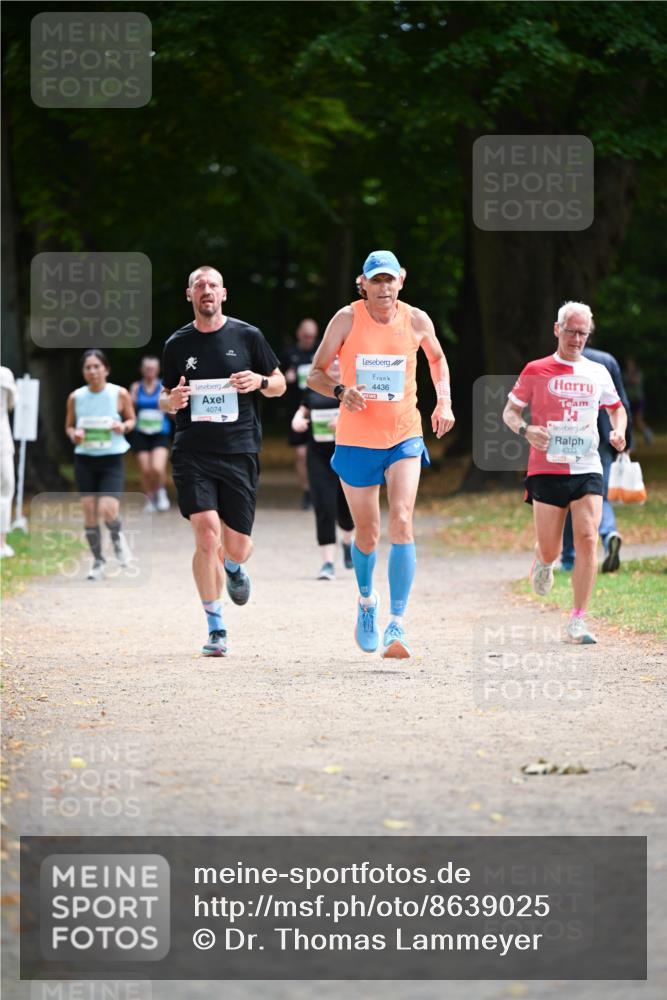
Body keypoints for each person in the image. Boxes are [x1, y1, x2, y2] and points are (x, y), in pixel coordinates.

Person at [307, 250, 455, 659]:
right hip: (356, 438)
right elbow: (315, 373)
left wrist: (443, 402)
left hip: (404, 434)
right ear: (364, 284)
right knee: (368, 533)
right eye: (377, 281)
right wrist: (341, 391)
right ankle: (367, 602)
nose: (384, 288)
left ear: (401, 281)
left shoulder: (417, 319)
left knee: (402, 520)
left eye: (390, 280)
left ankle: (398, 623)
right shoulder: (346, 319)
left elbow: (438, 359)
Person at [160, 265, 286, 657]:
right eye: (198, 285)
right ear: (189, 296)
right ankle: (216, 627)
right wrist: (171, 402)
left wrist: (260, 382)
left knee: (237, 546)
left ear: (224, 293)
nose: (206, 290)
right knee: (207, 534)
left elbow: (280, 383)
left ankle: (232, 568)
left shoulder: (248, 336)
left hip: (239, 450)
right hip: (192, 450)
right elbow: (166, 396)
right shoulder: (176, 345)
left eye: (212, 284)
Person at [503, 301, 627, 644]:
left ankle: (578, 620)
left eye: (583, 333)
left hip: (588, 465)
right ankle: (543, 561)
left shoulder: (598, 371)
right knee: (550, 548)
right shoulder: (535, 369)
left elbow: (617, 410)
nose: (576, 339)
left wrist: (618, 432)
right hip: (546, 467)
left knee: (588, 538)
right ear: (557, 329)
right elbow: (510, 412)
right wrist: (526, 430)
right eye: (570, 331)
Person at [560, 344, 633, 574]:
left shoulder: (560, 362)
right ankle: (609, 532)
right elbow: (622, 403)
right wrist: (625, 440)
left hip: (568, 436)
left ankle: (569, 558)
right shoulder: (607, 360)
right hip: (603, 437)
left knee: (570, 497)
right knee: (599, 494)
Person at [65, 350, 136, 581]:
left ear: (106, 369)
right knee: (89, 512)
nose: (93, 371)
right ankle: (98, 561)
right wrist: (74, 434)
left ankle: (117, 538)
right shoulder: (76, 397)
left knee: (107, 509)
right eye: (88, 367)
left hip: (111, 459)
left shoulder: (119, 393)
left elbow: (131, 420)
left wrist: (122, 427)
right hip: (85, 459)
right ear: (83, 372)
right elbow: (68, 426)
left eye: (97, 366)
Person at [291, 357, 354, 580]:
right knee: (324, 505)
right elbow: (302, 409)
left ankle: (348, 543)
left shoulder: (352, 387)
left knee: (346, 508)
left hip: (347, 454)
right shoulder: (315, 388)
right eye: (332, 361)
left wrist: (343, 421)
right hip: (318, 456)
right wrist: (297, 420)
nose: (336, 364)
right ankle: (327, 563)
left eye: (340, 360)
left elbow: (367, 416)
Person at [128, 355, 173, 513]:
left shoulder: (163, 387)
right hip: (141, 433)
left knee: (157, 468)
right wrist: (131, 402)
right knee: (146, 470)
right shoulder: (135, 387)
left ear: (158, 370)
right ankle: (150, 497)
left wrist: (167, 406)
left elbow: (172, 412)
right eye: (147, 368)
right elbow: (128, 411)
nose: (150, 371)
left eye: (153, 368)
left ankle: (160, 492)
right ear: (142, 370)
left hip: (160, 432)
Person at [282, 318, 319, 509]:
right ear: (299, 335)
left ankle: (325, 489)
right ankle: (307, 491)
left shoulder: (320, 352)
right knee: (302, 454)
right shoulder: (290, 354)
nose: (309, 340)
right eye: (306, 336)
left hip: (320, 410)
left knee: (323, 453)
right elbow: (277, 381)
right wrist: (287, 378)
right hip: (297, 410)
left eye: (312, 336)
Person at [0, 366, 17, 559]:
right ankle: (1, 543)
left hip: (3, 441)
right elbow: (12, 404)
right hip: (2, 439)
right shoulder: (5, 374)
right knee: (4, 490)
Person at [623, 356, 654, 446]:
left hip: (638, 400)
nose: (629, 366)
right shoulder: (625, 374)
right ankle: (631, 441)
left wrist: (631, 377)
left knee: (638, 420)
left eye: (631, 364)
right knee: (629, 421)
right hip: (629, 400)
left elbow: (635, 381)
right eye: (628, 364)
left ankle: (648, 434)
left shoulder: (638, 373)